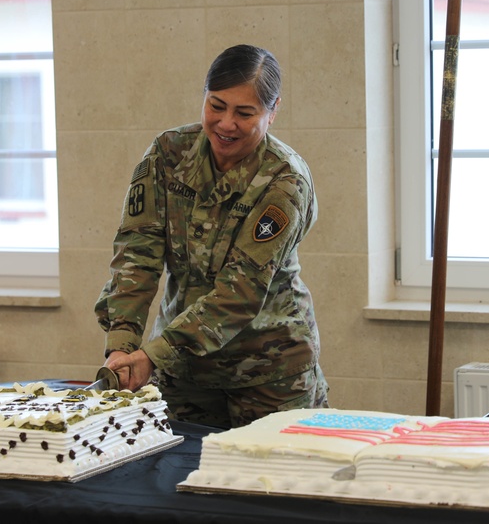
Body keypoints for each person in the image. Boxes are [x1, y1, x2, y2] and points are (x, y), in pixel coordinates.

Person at [93, 43, 328, 429]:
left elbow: (241, 291)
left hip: (269, 376)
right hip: (183, 372)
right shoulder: (168, 154)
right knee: (175, 481)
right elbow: (138, 253)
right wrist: (123, 343)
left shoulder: (285, 181)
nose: (226, 123)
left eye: (245, 112)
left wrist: (154, 354)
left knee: (270, 483)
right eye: (216, 106)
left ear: (273, 111)